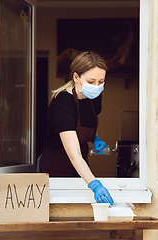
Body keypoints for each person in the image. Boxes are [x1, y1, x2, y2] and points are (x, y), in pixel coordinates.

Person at [39, 51, 114, 205]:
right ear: (76, 77)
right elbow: (74, 154)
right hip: (56, 167)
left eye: (101, 81)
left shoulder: (94, 96)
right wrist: (95, 185)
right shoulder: (63, 103)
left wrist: (96, 138)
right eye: (91, 81)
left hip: (80, 165)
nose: (97, 86)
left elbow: (90, 120)